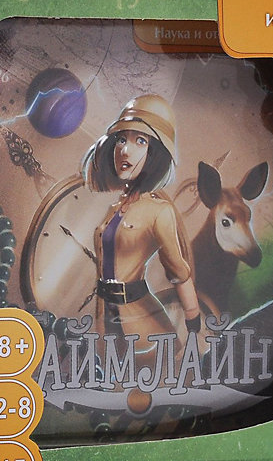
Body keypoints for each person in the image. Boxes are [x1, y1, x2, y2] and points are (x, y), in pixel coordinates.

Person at [81, 95, 201, 375]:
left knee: (149, 385)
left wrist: (193, 322)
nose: (125, 150)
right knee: (112, 385)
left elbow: (178, 270)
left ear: (156, 153)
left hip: (143, 325)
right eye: (122, 139)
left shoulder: (159, 211)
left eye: (141, 141)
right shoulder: (113, 210)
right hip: (105, 317)